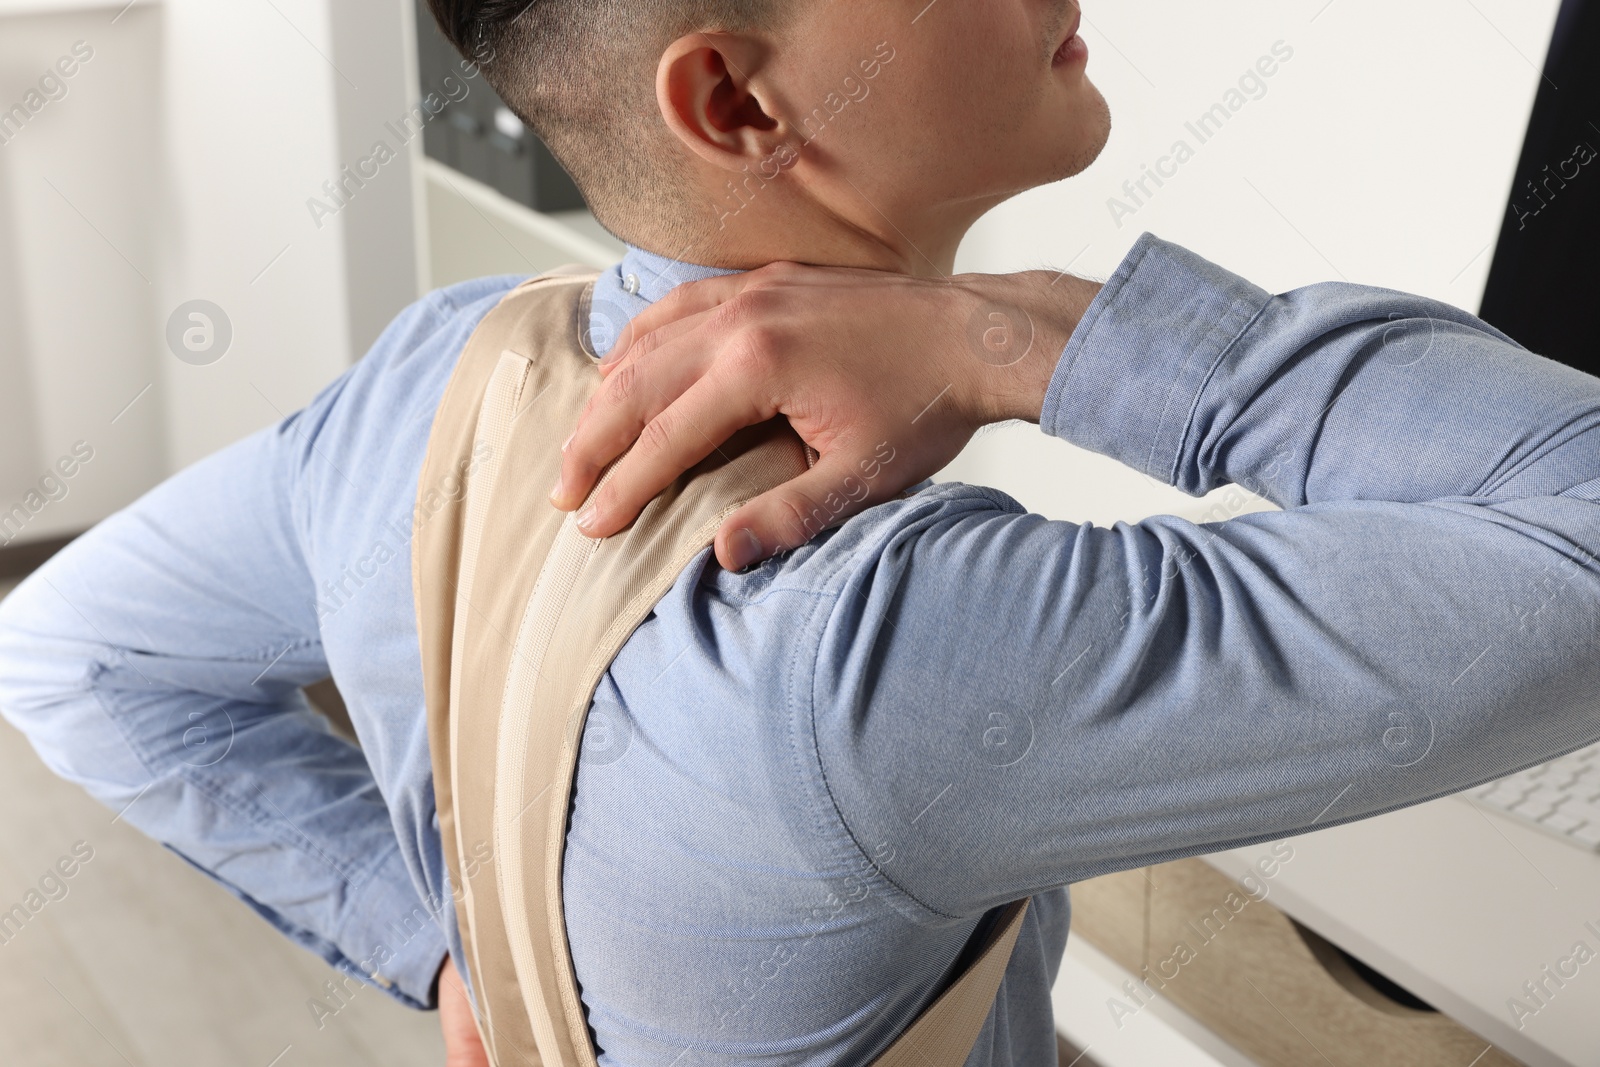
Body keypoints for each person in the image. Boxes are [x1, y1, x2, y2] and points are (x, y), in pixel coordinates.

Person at [1, 1, 1598, 1065]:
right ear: (737, 98)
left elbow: (67, 649)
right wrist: (1020, 335)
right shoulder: (877, 643)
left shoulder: (449, 363)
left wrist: (432, 948)